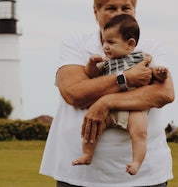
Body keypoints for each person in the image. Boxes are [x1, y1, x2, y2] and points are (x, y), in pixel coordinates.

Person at [40, 0, 174, 187]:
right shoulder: (76, 44)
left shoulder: (150, 47)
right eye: (110, 8)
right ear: (96, 11)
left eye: (126, 8)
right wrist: (126, 78)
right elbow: (74, 93)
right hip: (79, 177)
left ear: (135, 11)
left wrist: (105, 102)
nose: (118, 14)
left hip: (145, 177)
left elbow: (164, 93)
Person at [72, 14, 168, 175]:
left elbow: (153, 74)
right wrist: (91, 63)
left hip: (134, 107)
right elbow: (92, 73)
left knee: (139, 133)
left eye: (111, 42)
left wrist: (161, 74)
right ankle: (87, 154)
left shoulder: (141, 58)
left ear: (130, 44)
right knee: (94, 127)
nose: (105, 47)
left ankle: (136, 162)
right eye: (103, 42)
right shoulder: (107, 62)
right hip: (110, 110)